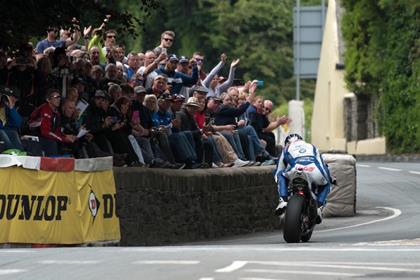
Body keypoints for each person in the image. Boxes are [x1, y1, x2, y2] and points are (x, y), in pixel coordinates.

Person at [274, 134, 334, 224]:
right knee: (326, 184)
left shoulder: (286, 148)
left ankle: (283, 200)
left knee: (281, 175)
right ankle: (319, 207)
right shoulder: (312, 147)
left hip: (296, 170)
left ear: (287, 143)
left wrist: (278, 180)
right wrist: (330, 178)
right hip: (314, 171)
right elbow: (323, 165)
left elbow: (279, 169)